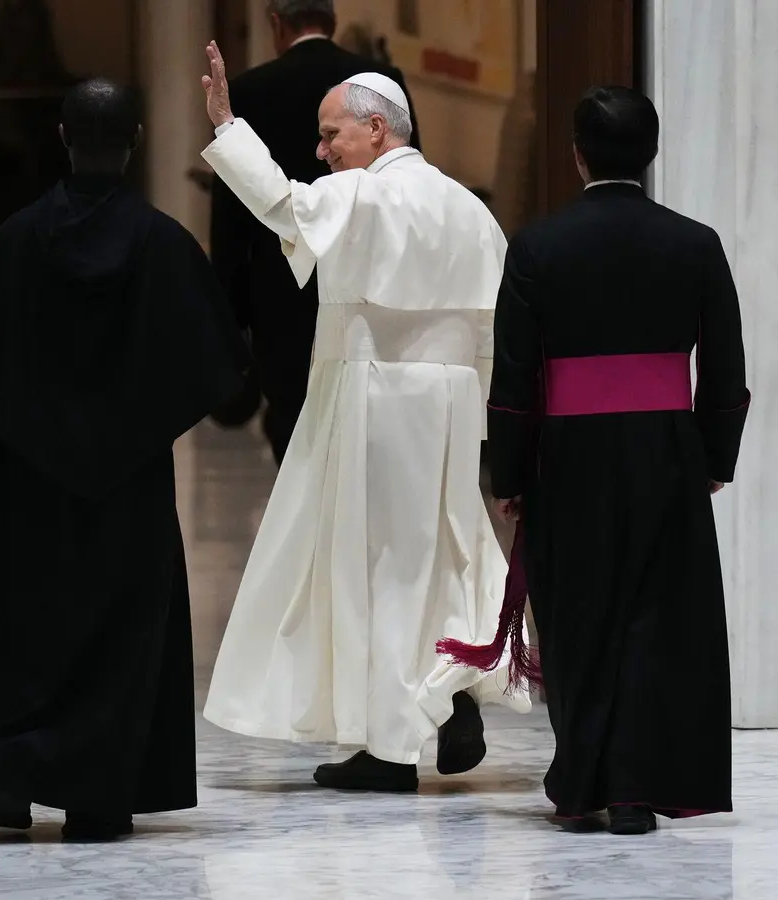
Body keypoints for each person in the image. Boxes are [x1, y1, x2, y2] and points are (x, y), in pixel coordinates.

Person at [0, 78, 249, 841]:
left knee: (19, 628)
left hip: (27, 478)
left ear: (62, 137)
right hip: (129, 484)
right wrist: (140, 426)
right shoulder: (165, 246)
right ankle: (98, 799)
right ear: (136, 141)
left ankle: (12, 781)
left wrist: (24, 427)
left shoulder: (16, 240)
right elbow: (217, 367)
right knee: (119, 637)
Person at [198, 43, 531, 793]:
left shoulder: (362, 194)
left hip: (376, 397)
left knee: (375, 568)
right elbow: (495, 329)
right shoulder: (469, 207)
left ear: (376, 128)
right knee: (444, 555)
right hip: (451, 406)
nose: (322, 152)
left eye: (331, 135)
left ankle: (390, 748)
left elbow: (281, 204)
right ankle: (450, 692)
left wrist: (227, 127)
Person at [437, 86, 751, 835]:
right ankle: (639, 788)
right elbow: (726, 366)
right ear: (652, 152)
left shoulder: (539, 246)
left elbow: (514, 377)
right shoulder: (695, 243)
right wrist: (714, 455)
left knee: (580, 615)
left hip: (569, 457)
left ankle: (585, 781)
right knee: (656, 615)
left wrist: (510, 474)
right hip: (667, 451)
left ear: (577, 154)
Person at [208, 0, 422, 465]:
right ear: (333, 20)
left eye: (330, 137)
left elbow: (244, 210)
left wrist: (229, 311)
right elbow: (405, 188)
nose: (323, 153)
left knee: (294, 424)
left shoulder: (251, 90)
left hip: (281, 288)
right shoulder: (382, 80)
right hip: (373, 286)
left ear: (276, 23)